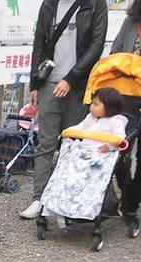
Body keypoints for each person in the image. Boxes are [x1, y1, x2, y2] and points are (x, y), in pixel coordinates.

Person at [20, 0, 108, 220]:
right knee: (45, 142)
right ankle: (39, 198)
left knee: (74, 145)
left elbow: (96, 44)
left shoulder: (95, 3)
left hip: (78, 86)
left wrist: (71, 78)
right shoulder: (49, 4)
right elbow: (39, 43)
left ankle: (67, 200)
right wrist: (35, 83)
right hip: (49, 82)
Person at [40, 87, 128, 225]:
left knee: (92, 180)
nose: (91, 107)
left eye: (96, 104)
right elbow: (80, 127)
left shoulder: (115, 122)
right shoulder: (90, 118)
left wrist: (110, 146)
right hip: (83, 151)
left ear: (110, 108)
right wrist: (68, 131)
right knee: (68, 173)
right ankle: (63, 204)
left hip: (101, 155)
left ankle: (88, 207)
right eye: (92, 103)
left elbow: (120, 138)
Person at [110, 0, 141, 217]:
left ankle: (132, 203)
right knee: (122, 149)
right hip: (127, 96)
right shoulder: (130, 23)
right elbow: (115, 54)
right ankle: (125, 193)